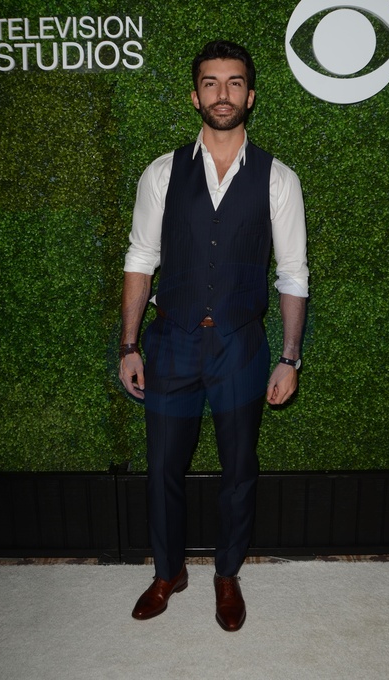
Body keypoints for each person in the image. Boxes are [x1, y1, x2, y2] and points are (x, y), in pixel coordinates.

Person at [119, 39, 309, 632]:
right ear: (194, 95)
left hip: (241, 347)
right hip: (171, 342)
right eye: (210, 83)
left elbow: (293, 272)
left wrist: (289, 357)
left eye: (234, 83)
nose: (222, 94)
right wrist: (129, 345)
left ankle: (227, 575)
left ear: (249, 96)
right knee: (162, 468)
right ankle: (168, 571)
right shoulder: (161, 172)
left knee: (239, 469)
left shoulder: (279, 178)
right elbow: (141, 258)